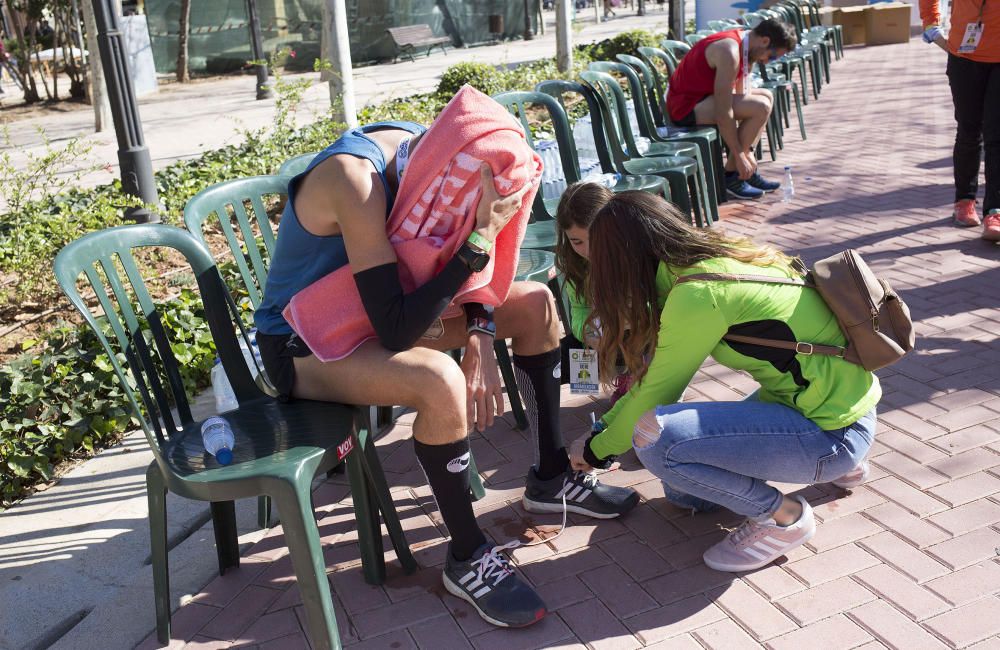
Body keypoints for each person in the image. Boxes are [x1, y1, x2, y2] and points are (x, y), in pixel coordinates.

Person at [254, 114, 638, 626]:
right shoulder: (356, 180)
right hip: (304, 342)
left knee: (537, 305)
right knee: (438, 379)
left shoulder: (439, 155)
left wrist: (480, 327)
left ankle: (550, 478)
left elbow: (463, 272)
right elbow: (397, 327)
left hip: (381, 312)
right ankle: (467, 556)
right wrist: (478, 236)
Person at [566, 189, 880, 572]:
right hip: (832, 404)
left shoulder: (698, 294)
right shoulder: (714, 255)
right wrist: (602, 433)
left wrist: (598, 449)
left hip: (831, 432)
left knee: (657, 439)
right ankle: (840, 463)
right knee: (682, 493)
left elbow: (657, 392)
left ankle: (783, 518)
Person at [666, 19, 797, 200]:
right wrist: (740, 155)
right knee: (760, 107)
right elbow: (723, 112)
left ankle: (743, 173)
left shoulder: (745, 46)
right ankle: (730, 176)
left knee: (767, 96)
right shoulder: (730, 52)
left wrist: (748, 151)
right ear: (765, 41)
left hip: (703, 97)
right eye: (773, 56)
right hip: (684, 106)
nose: (767, 62)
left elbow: (742, 92)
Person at [921, 0, 1000, 240]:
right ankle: (964, 200)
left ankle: (995, 211)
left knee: (997, 134)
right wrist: (931, 24)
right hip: (964, 56)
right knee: (968, 130)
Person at [556, 182, 633, 402]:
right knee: (551, 361)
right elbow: (579, 309)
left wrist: (626, 320)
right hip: (600, 339)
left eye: (596, 238)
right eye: (577, 241)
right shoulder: (572, 262)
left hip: (637, 334)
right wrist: (587, 332)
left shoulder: (632, 252)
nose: (589, 250)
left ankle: (636, 379)